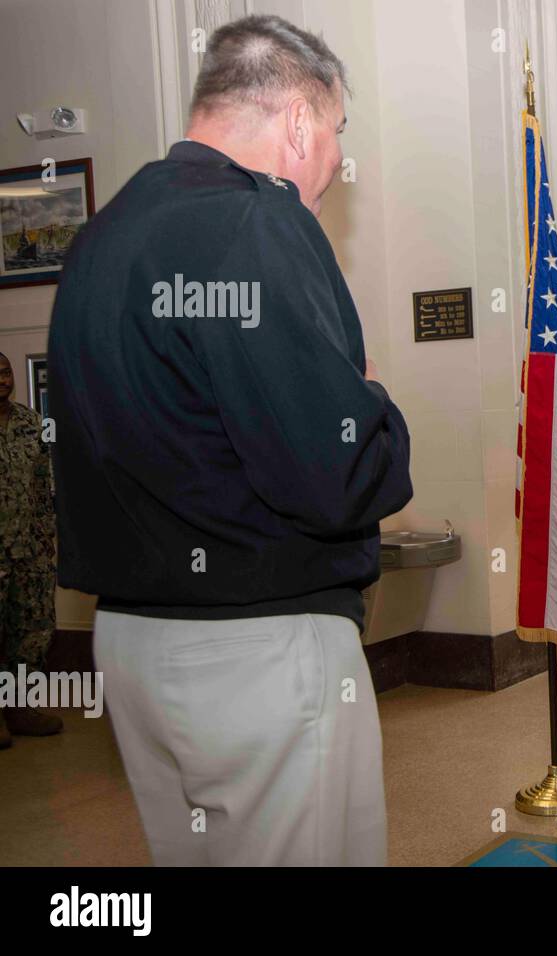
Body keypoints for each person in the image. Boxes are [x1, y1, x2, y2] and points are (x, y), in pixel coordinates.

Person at [47, 15, 412, 865]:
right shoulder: (258, 223)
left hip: (133, 641)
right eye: (335, 134)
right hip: (261, 649)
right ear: (296, 121)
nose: (333, 163)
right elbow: (337, 469)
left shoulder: (99, 239)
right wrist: (379, 407)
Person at [0, 351, 62, 749]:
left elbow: (45, 485)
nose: (2, 379)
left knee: (33, 630)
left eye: (5, 372)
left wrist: (47, 539)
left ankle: (18, 707)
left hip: (31, 549)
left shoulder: (32, 423)